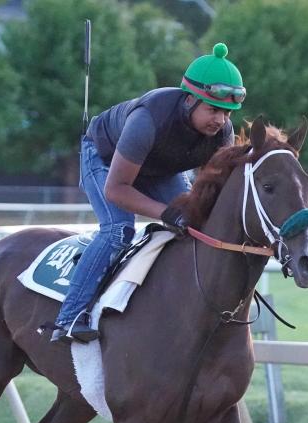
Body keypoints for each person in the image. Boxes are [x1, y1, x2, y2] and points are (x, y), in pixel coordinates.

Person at [51, 42, 246, 343]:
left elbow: (214, 192)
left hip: (159, 168)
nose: (220, 120)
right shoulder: (147, 120)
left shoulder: (222, 133)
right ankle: (70, 317)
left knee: (195, 225)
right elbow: (116, 190)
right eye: (213, 109)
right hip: (104, 158)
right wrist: (167, 213)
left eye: (227, 113)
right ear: (189, 100)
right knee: (118, 229)